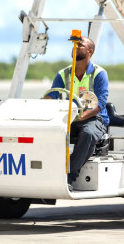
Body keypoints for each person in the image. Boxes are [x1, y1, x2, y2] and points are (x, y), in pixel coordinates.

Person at [46, 36, 109, 189]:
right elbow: (52, 95)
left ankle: (68, 176)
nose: (75, 47)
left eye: (80, 45)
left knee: (88, 133)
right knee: (48, 132)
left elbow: (101, 103)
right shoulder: (63, 74)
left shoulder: (99, 74)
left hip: (94, 117)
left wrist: (82, 116)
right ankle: (46, 172)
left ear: (90, 51)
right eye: (74, 44)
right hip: (69, 117)